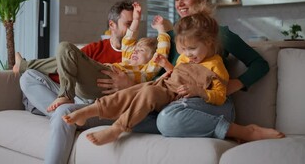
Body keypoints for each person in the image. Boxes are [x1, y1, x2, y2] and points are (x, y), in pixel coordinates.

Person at [98, 0, 285, 142]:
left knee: (167, 119)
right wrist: (130, 84)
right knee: (127, 114)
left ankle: (245, 131)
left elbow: (260, 65)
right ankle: (182, 126)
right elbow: (161, 79)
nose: (179, 4)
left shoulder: (220, 34)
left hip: (210, 103)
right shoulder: (171, 37)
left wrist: (235, 84)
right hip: (173, 103)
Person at [63, 12, 231, 145]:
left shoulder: (216, 66)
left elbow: (220, 96)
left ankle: (117, 128)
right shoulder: (185, 58)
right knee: (130, 93)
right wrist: (167, 66)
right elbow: (179, 74)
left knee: (148, 93)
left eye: (192, 49)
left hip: (172, 96)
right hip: (163, 84)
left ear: (209, 42)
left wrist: (200, 91)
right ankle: (90, 111)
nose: (187, 54)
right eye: (184, 49)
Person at [46, 2, 171, 112]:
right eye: (135, 49)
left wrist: (161, 29)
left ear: (152, 58)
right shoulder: (127, 58)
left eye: (141, 50)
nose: (135, 52)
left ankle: (66, 96)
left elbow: (162, 50)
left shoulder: (146, 71)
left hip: (101, 81)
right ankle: (26, 66)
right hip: (92, 76)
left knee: (65, 48)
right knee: (61, 55)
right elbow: (128, 39)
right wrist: (136, 20)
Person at [16, 0, 134, 116]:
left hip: (97, 102)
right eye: (129, 24)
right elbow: (67, 62)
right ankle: (65, 116)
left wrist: (129, 85)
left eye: (136, 23)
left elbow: (148, 85)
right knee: (27, 77)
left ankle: (67, 114)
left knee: (66, 52)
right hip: (76, 95)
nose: (133, 29)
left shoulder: (140, 52)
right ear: (112, 25)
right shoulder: (96, 48)